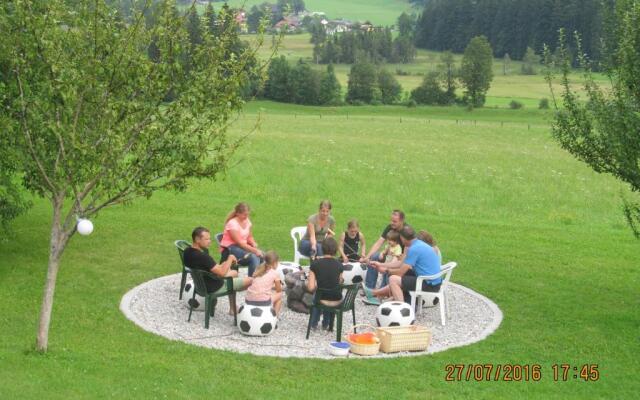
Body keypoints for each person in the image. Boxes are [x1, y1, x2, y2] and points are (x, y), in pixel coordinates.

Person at [362, 225, 441, 305]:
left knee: (393, 279)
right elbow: (400, 263)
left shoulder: (414, 249)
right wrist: (381, 264)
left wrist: (385, 270)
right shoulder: (418, 244)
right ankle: (374, 294)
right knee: (401, 276)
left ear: (402, 238)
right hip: (432, 281)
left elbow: (400, 272)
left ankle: (403, 310)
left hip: (429, 284)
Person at [183, 227, 252, 314]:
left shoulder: (187, 252)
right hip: (214, 286)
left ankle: (232, 308)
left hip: (201, 285)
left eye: (210, 239)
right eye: (207, 239)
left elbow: (212, 268)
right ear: (197, 239)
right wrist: (230, 258)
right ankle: (248, 309)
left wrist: (224, 264)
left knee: (234, 273)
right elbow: (222, 273)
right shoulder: (203, 257)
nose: (210, 241)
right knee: (251, 280)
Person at [361, 210, 410, 290]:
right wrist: (367, 257)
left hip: (400, 257)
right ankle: (369, 288)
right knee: (374, 256)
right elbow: (379, 242)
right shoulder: (390, 227)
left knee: (389, 267)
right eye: (391, 220)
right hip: (389, 254)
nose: (392, 223)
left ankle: (383, 290)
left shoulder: (406, 231)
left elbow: (410, 249)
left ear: (402, 221)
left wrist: (402, 258)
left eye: (394, 221)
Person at [306, 237, 344, 331]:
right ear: (335, 250)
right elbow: (340, 282)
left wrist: (316, 286)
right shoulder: (340, 265)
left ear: (322, 249)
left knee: (318, 294)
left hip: (321, 299)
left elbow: (310, 288)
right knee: (329, 292)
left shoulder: (315, 265)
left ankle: (313, 323)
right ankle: (326, 324)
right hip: (337, 299)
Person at [220, 202, 263, 277]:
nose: (246, 216)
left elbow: (249, 237)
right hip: (230, 248)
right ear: (237, 213)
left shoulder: (247, 221)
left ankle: (261, 279)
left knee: (263, 256)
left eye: (247, 214)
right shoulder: (232, 223)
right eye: (244, 214)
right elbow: (240, 243)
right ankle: (251, 281)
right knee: (253, 257)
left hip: (242, 247)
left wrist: (253, 243)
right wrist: (255, 250)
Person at [245, 250, 283, 315]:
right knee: (280, 295)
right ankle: (275, 317)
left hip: (248, 300)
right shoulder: (275, 273)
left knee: (264, 293)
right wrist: (280, 285)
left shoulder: (258, 269)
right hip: (263, 301)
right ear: (275, 263)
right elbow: (278, 290)